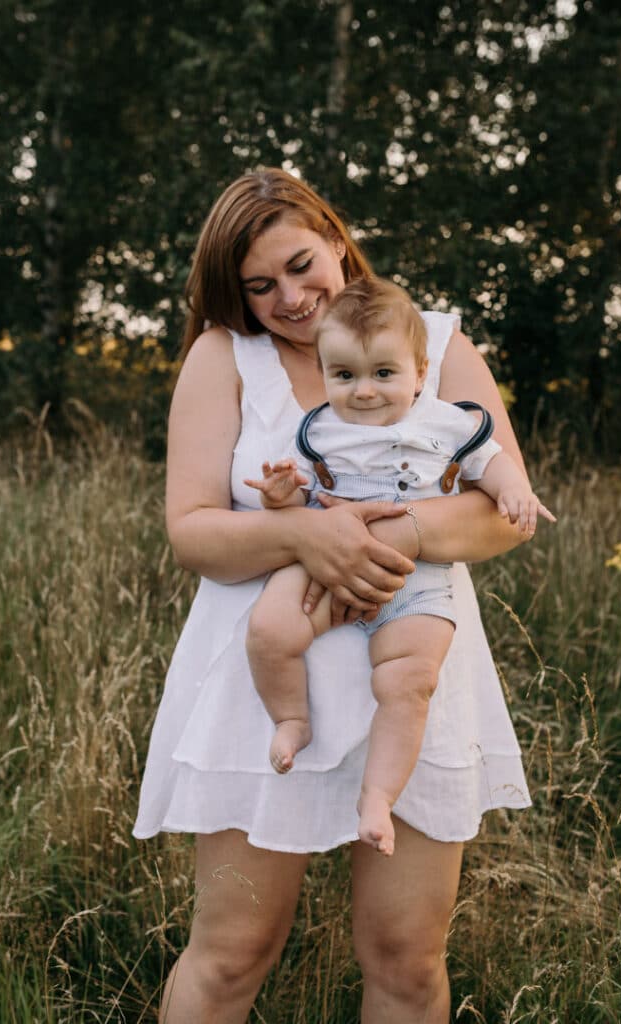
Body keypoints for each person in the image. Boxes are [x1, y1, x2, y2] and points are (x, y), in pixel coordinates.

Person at [133, 167, 540, 1023]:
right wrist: (303, 536)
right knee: (233, 949)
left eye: (300, 263)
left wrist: (389, 536)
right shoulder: (225, 356)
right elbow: (193, 529)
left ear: (334, 234)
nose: (289, 297)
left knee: (405, 955)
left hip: (417, 660)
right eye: (259, 285)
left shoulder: (434, 339)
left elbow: (503, 513)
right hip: (266, 676)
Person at [244, 276, 554, 858]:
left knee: (409, 680)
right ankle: (291, 719)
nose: (363, 391)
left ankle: (378, 797)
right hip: (322, 566)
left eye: (383, 374)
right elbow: (300, 499)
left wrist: (514, 490)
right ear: (326, 373)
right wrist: (280, 494)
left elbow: (493, 464)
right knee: (269, 630)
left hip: (417, 578)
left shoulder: (447, 423)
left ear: (418, 371)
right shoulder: (318, 430)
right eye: (344, 376)